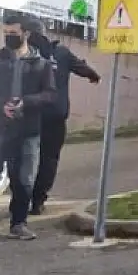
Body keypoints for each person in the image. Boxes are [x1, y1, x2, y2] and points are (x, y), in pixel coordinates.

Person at [0, 15, 57, 244]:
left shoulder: (41, 65)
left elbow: (50, 94)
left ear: (26, 34)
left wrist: (26, 103)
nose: (9, 37)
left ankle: (18, 224)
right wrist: (0, 105)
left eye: (14, 33)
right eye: (6, 33)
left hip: (27, 131)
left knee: (24, 180)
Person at [21, 18, 100, 215]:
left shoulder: (23, 52)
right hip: (55, 116)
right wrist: (93, 76)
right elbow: (84, 69)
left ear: (27, 34)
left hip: (29, 115)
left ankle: (22, 198)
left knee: (24, 158)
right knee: (49, 159)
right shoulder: (61, 53)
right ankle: (38, 200)